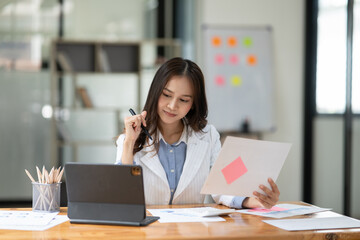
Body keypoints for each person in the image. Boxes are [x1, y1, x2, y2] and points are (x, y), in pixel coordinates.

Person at [115, 57, 280, 209]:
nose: (172, 106)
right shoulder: (129, 138)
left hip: (192, 231)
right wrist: (129, 143)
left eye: (184, 100)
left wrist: (254, 200)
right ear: (155, 92)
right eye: (166, 95)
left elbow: (222, 185)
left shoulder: (208, 136)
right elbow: (121, 196)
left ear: (193, 104)